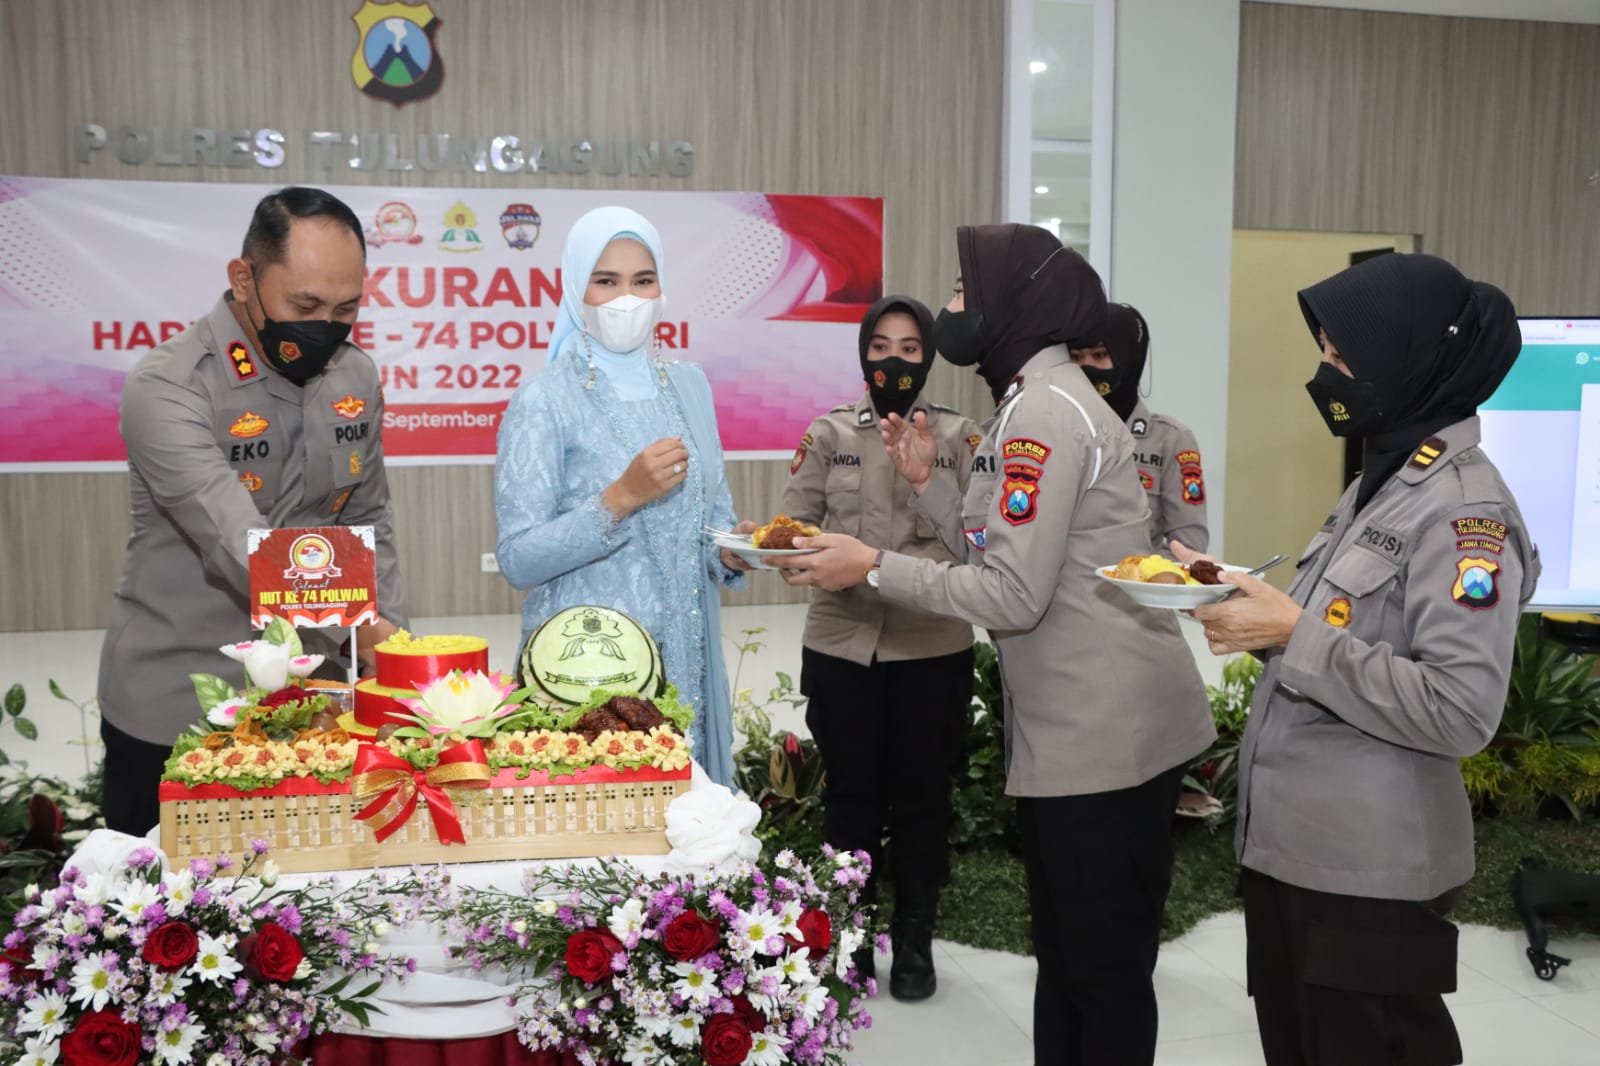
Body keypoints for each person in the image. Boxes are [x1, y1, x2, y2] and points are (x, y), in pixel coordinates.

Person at [774, 223, 1216, 1065]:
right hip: (1078, 732)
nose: (951, 307)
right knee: (1071, 959)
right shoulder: (1031, 400)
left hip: (1105, 739)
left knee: (1100, 971)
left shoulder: (1043, 413)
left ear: (1016, 304)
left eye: (962, 290)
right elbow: (1005, 552)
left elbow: (1012, 595)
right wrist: (930, 487)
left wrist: (875, 564)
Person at [1185, 252, 1538, 1065]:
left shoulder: (1465, 513)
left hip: (1367, 876)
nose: (1325, 373)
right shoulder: (1386, 476)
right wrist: (1246, 602)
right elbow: (1345, 629)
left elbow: (1460, 709)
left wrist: (1291, 633)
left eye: (1343, 357)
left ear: (1408, 363)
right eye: (1325, 351)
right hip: (1300, 858)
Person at [100, 186, 408, 835]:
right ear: (244, 279)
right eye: (305, 305)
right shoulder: (171, 386)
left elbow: (371, 521)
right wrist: (367, 632)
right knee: (172, 895)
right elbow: (241, 545)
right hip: (181, 707)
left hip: (318, 702)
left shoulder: (355, 376)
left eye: (346, 308)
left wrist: (390, 654)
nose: (325, 326)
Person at [495, 206, 746, 787]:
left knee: (688, 824)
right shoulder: (544, 400)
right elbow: (518, 559)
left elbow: (713, 522)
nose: (627, 299)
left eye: (643, 280)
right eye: (606, 281)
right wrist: (620, 498)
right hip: (589, 675)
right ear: (574, 288)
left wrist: (734, 549)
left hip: (685, 662)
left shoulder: (690, 386)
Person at [778, 295, 981, 1001]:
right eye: (881, 347)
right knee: (850, 801)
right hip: (843, 649)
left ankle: (916, 938)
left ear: (928, 357)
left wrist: (930, 480)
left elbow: (980, 548)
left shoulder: (960, 436)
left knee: (924, 800)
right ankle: (852, 938)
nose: (895, 360)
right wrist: (777, 549)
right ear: (864, 354)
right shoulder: (828, 432)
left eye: (910, 348)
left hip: (933, 650)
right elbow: (792, 529)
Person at [1070, 302, 1209, 552]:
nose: (1086, 367)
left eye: (1100, 355)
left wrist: (1135, 570)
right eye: (1076, 357)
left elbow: (1189, 546)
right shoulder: (1057, 432)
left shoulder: (1170, 440)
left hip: (1138, 575)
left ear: (1130, 357)